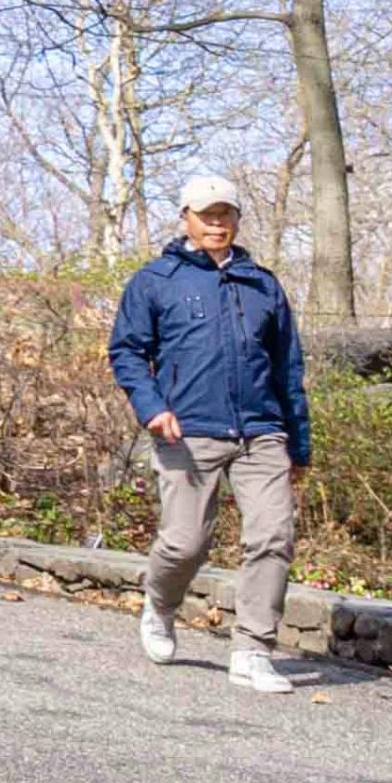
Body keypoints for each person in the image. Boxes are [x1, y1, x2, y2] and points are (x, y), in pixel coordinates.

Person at [106, 173, 312, 693]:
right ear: (186, 219)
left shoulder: (263, 284)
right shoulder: (156, 280)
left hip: (261, 431)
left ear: (237, 219)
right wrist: (152, 407)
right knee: (185, 543)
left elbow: (289, 368)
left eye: (225, 214)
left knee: (272, 535)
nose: (216, 222)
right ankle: (159, 604)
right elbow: (127, 352)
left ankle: (252, 650)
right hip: (186, 430)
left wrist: (299, 442)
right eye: (206, 214)